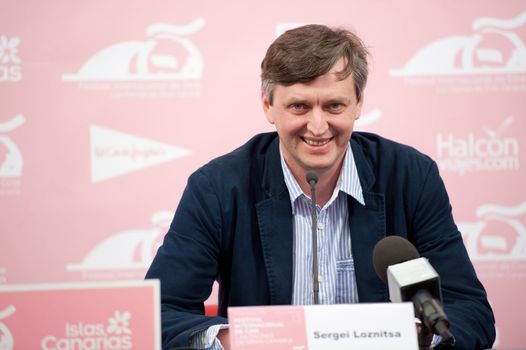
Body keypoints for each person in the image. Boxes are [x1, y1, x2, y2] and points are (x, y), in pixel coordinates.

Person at [146, 24, 496, 349]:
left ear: (358, 104)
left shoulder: (411, 177)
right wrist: (249, 339)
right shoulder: (218, 188)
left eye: (334, 106)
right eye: (299, 106)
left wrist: (414, 337)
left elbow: (470, 311)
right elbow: (159, 313)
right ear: (268, 106)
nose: (317, 126)